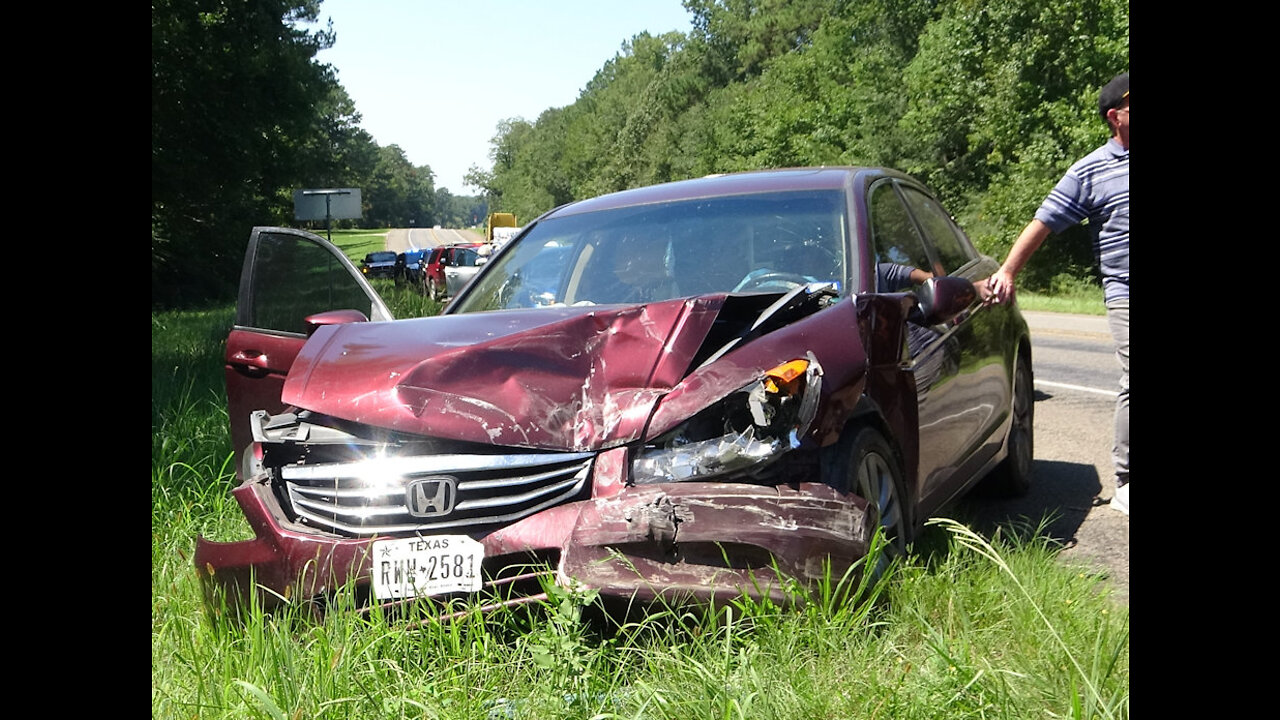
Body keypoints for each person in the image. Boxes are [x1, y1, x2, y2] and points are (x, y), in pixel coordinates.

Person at [986, 72, 1128, 516]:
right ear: (1115, 116)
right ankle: (1127, 479)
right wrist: (1008, 270)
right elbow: (1043, 222)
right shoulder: (1091, 171)